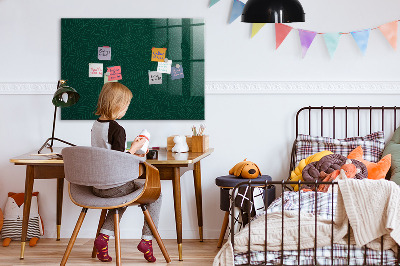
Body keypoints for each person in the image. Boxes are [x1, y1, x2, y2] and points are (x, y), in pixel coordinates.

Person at [91, 82, 162, 263]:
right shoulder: (117, 129)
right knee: (156, 194)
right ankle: (147, 240)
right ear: (117, 105)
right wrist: (135, 149)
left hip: (97, 186)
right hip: (114, 186)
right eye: (126, 105)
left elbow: (108, 155)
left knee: (121, 198)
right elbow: (119, 161)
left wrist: (132, 150)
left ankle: (103, 238)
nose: (126, 109)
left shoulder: (96, 125)